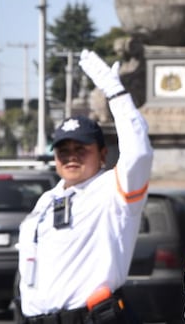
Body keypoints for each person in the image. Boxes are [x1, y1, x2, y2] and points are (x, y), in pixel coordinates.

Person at [17, 50, 154, 324]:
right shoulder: (47, 200)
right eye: (63, 150)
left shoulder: (113, 191)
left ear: (102, 155)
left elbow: (139, 153)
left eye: (81, 149)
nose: (71, 157)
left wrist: (116, 94)